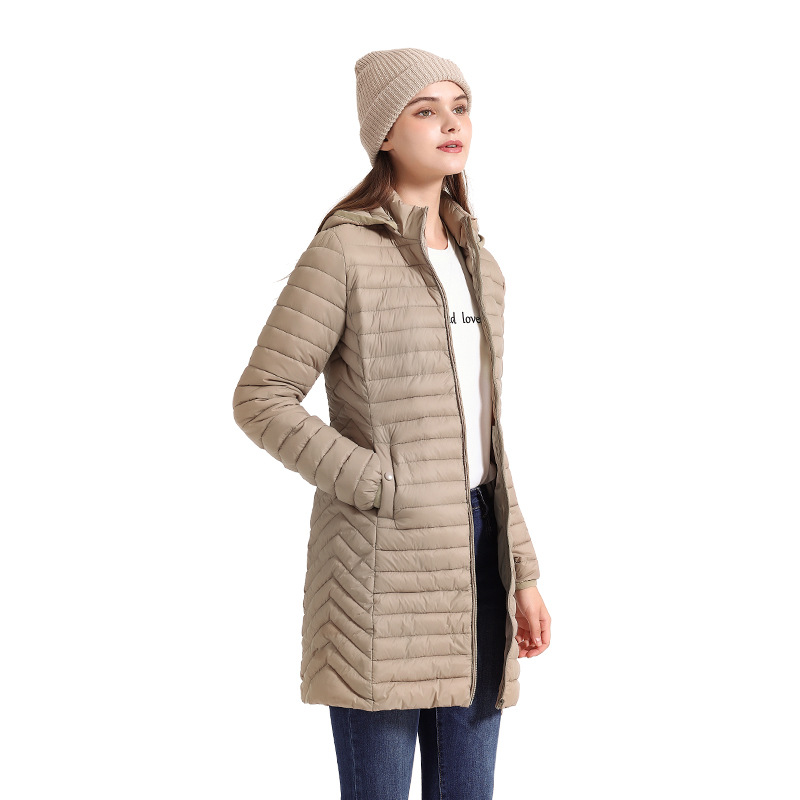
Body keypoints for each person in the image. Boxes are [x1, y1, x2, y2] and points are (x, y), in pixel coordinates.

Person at [232, 47, 552, 800]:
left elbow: (485, 434)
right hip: (380, 566)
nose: (450, 124)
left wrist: (526, 572)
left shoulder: (480, 263)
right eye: (425, 110)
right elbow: (262, 396)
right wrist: (379, 481)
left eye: (460, 108)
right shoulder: (345, 249)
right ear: (384, 132)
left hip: (478, 555)